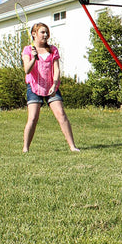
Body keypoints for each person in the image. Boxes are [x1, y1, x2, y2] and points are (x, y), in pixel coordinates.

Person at [22, 22, 79, 153]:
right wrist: (34, 58)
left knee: (61, 115)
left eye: (47, 32)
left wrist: (54, 84)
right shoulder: (28, 50)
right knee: (33, 118)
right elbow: (27, 70)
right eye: (42, 32)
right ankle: (25, 148)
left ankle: (72, 146)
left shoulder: (53, 49)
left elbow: (57, 69)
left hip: (51, 87)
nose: (46, 35)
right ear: (34, 34)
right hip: (34, 87)